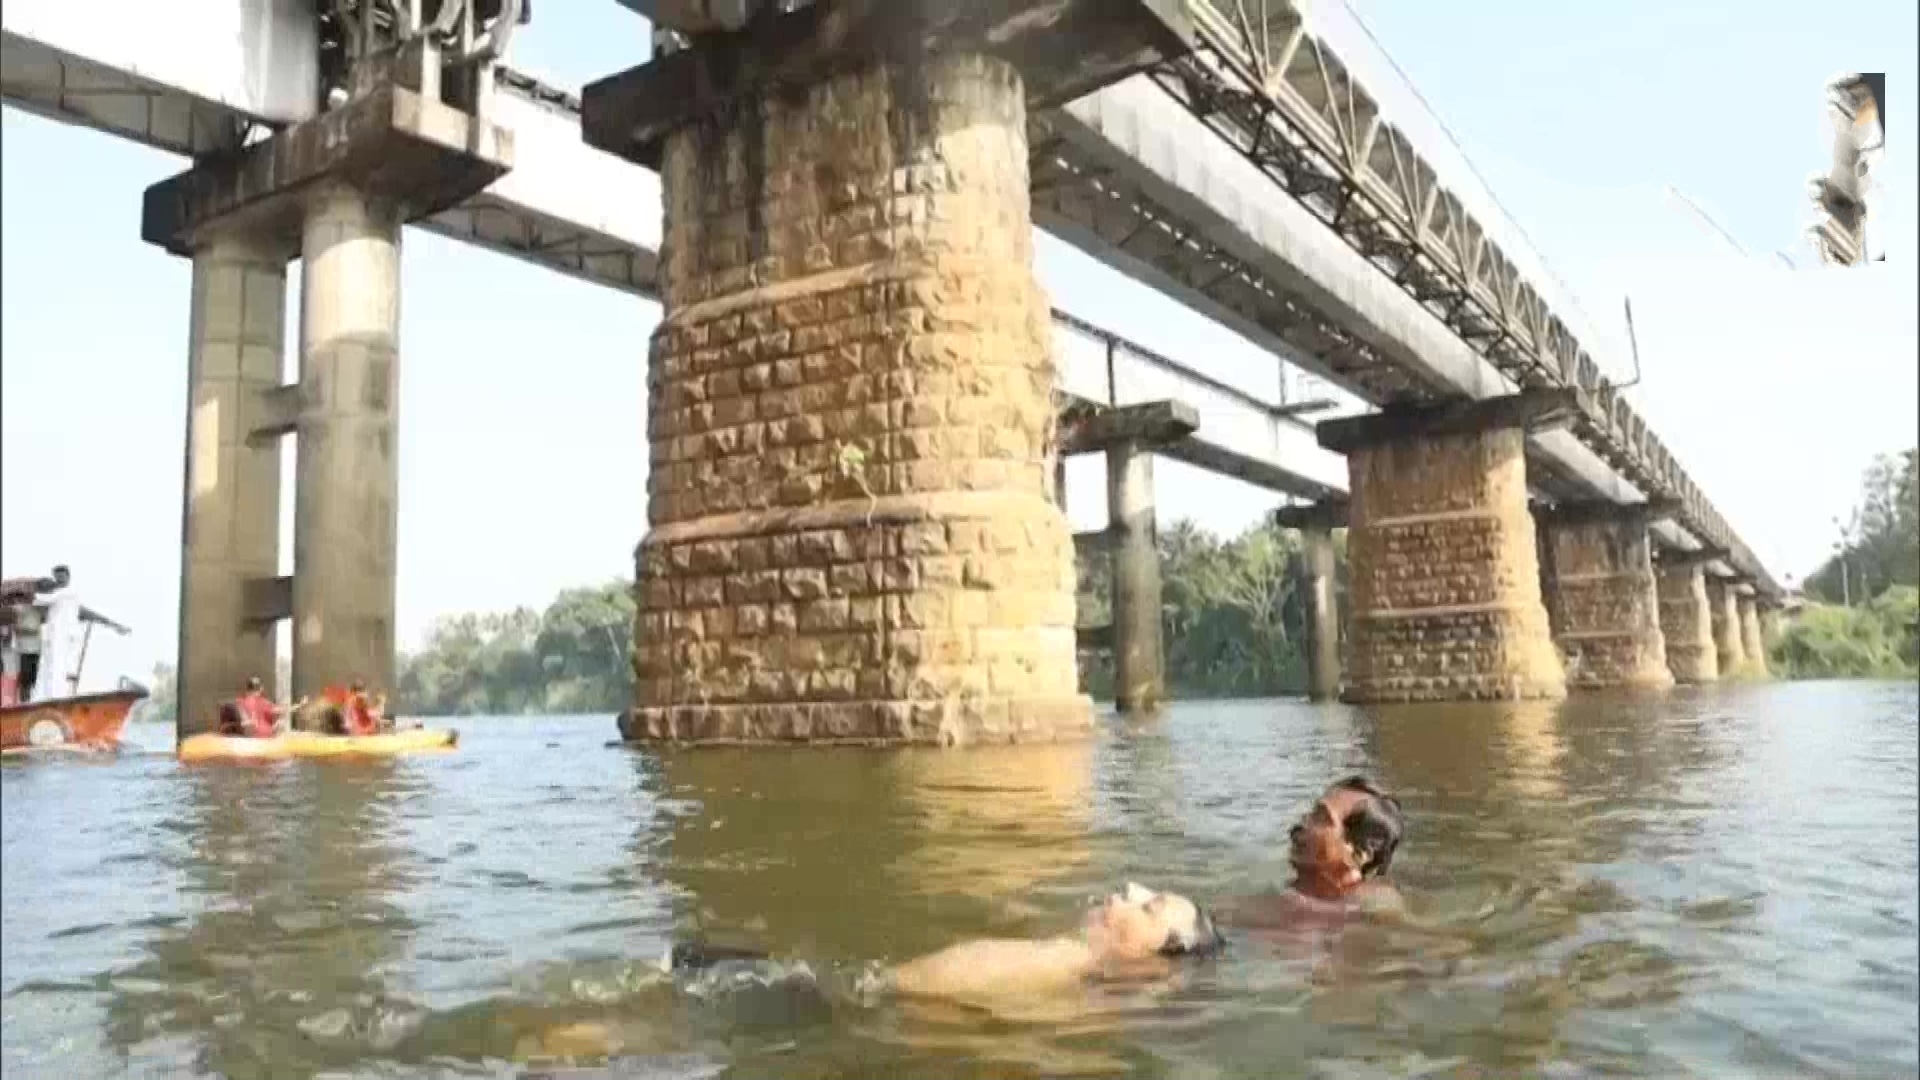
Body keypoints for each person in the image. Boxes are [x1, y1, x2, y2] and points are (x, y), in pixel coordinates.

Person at [1217, 776, 1406, 929]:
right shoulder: (1272, 900)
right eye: (1310, 814)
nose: (1300, 825)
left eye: (1321, 818)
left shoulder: (1375, 901)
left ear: (1360, 853)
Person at [217, 676, 305, 738]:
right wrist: (300, 705)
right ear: (261, 689)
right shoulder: (263, 702)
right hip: (265, 735)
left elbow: (224, 707)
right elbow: (283, 710)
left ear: (247, 689)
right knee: (280, 721)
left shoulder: (239, 702)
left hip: (248, 736)